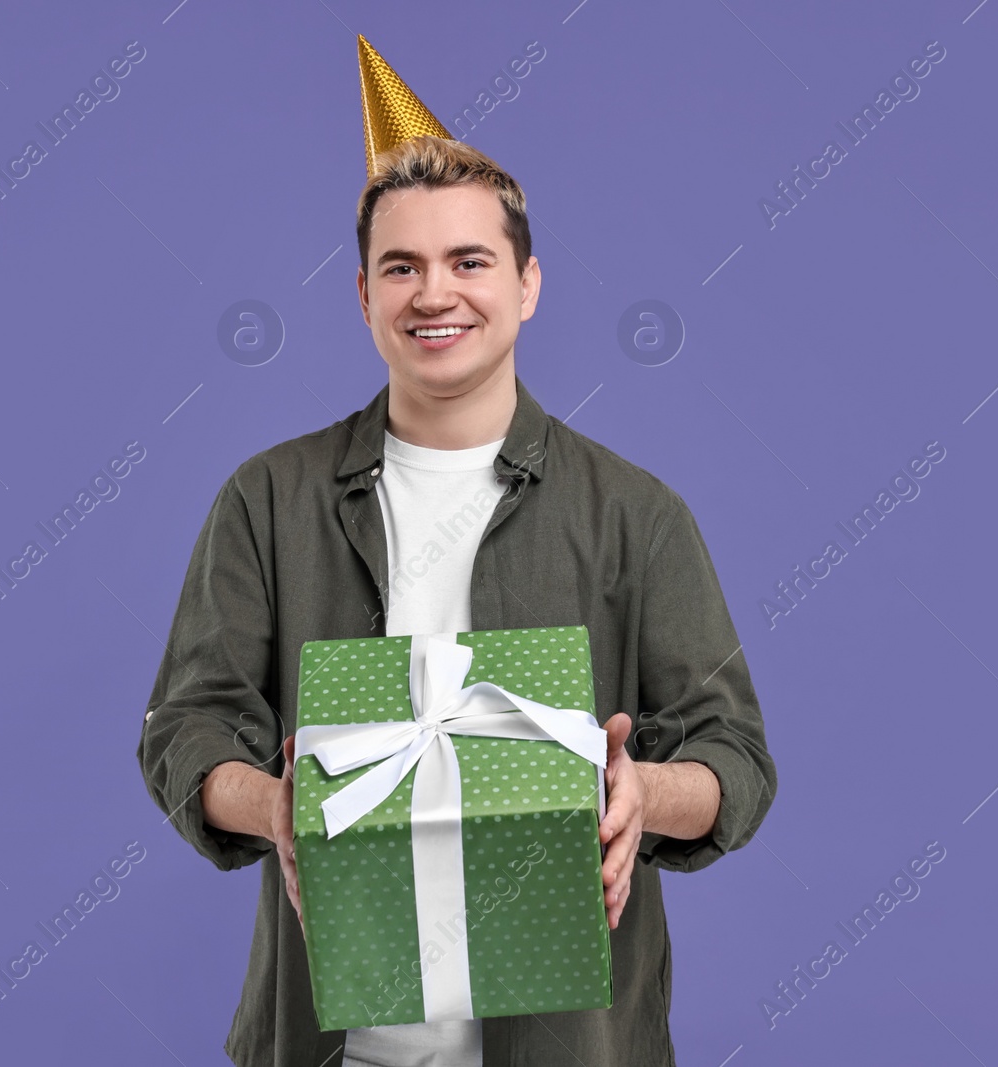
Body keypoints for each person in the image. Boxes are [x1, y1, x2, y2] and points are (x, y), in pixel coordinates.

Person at [135, 35, 777, 1067]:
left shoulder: (633, 513)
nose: (435, 294)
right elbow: (186, 725)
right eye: (402, 266)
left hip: (571, 1042)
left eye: (468, 261)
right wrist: (276, 804)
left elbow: (734, 760)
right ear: (363, 296)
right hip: (331, 1039)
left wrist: (639, 793)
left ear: (526, 284)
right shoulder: (268, 498)